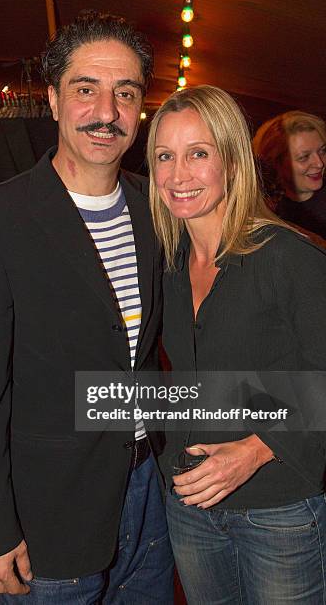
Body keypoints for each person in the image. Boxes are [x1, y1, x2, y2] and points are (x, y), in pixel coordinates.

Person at [0, 11, 174, 604]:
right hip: (49, 513)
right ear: (51, 99)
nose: (107, 111)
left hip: (151, 493)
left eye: (125, 92)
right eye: (85, 89)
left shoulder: (159, 209)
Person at [147, 85, 326, 603]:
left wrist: (254, 449)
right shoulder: (170, 265)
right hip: (190, 507)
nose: (178, 175)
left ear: (231, 161)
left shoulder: (291, 259)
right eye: (165, 156)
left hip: (280, 513)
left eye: (198, 154)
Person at [253, 110, 326, 241]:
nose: (319, 163)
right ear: (276, 162)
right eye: (304, 157)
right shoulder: (269, 212)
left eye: (322, 151)